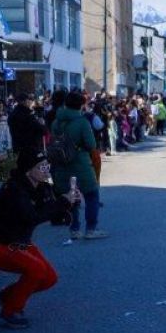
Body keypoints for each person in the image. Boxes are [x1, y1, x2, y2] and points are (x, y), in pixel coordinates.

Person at [0, 149, 79, 328]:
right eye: (42, 166)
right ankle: (9, 312)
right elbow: (31, 216)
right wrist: (62, 202)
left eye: (47, 165)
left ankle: (7, 296)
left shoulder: (42, 187)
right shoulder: (14, 189)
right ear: (28, 170)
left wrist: (71, 201)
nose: (46, 169)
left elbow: (53, 215)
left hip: (17, 241)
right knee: (36, 269)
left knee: (49, 278)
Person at [51, 92, 108, 240]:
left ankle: (74, 229)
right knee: (91, 194)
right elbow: (91, 145)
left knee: (72, 196)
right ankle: (90, 229)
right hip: (80, 163)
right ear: (81, 105)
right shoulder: (82, 122)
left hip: (62, 164)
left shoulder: (56, 122)